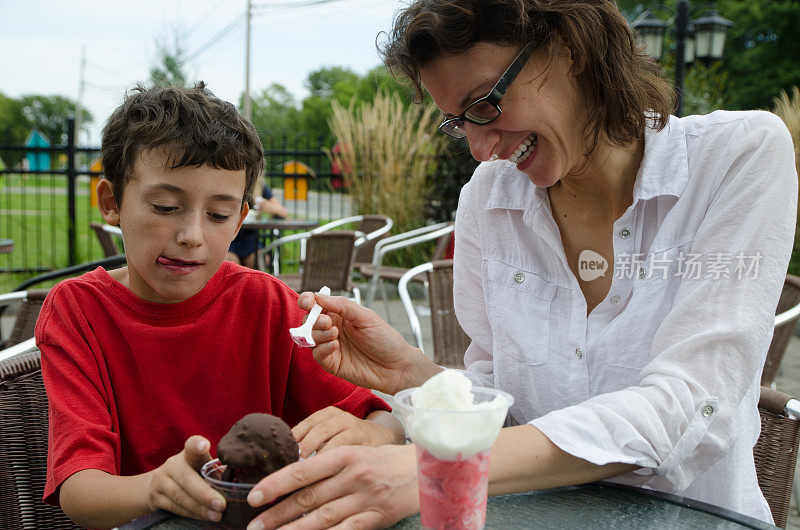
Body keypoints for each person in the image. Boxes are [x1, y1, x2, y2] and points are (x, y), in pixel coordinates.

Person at [242, 1, 798, 529]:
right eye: (460, 122)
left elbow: (689, 408)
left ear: (570, 48)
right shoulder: (488, 199)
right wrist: (413, 376)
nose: (483, 147)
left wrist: (427, 468)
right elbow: (509, 413)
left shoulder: (737, 158)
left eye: (485, 104)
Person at [34, 83, 404, 529]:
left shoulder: (267, 303)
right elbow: (80, 491)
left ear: (240, 221)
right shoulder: (77, 312)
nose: (192, 235)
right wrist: (154, 487)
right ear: (112, 204)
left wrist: (374, 432)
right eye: (166, 206)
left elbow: (383, 421)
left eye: (218, 215)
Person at [226, 182, 289, 269]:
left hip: (250, 240)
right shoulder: (228, 184)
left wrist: (271, 207)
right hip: (229, 239)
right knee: (229, 264)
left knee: (258, 261)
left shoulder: (259, 187)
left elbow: (283, 213)